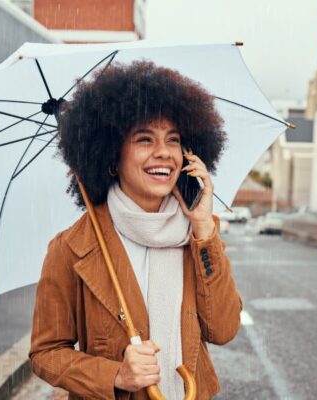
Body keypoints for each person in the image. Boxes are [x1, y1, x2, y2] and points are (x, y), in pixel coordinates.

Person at [29, 61, 242, 400]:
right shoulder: (71, 247)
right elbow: (45, 353)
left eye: (173, 140)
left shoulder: (199, 235)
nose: (163, 153)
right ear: (113, 155)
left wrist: (203, 228)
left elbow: (224, 329)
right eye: (145, 139)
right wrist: (116, 374)